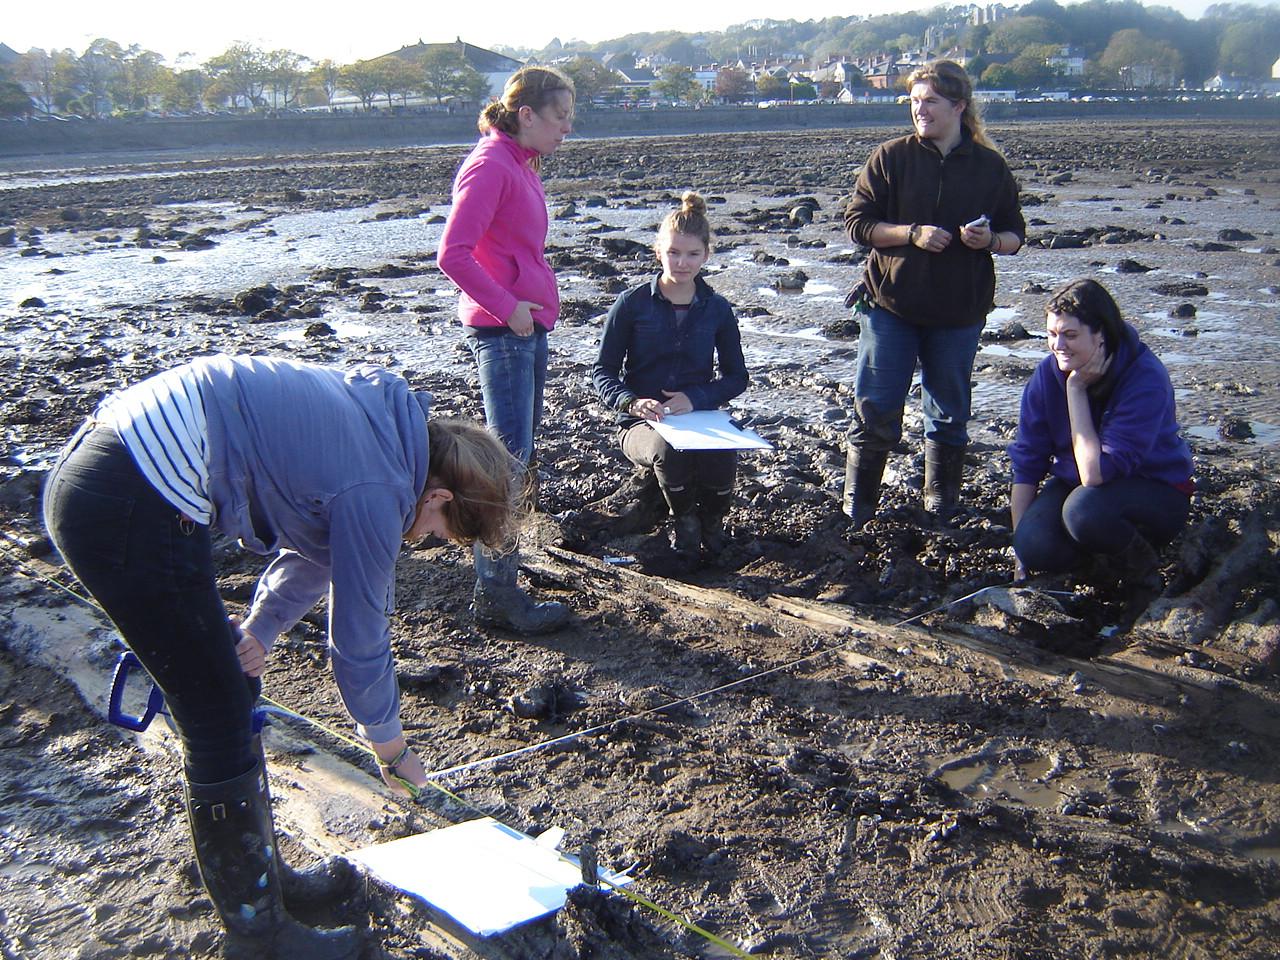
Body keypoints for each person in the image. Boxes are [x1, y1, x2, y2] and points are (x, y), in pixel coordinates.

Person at [42, 354, 519, 960]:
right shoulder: (380, 486)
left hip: (115, 468)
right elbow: (359, 632)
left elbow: (316, 552)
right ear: (441, 495)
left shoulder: (383, 435)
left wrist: (259, 632)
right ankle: (258, 934)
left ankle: (267, 885)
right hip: (129, 497)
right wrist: (391, 747)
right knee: (215, 715)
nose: (419, 540)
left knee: (230, 693)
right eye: (435, 531)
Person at [842, 59, 1025, 528]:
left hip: (960, 311)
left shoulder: (989, 167)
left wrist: (991, 241)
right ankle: (857, 511)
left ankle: (940, 505)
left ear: (958, 107)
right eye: (915, 102)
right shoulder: (892, 157)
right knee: (876, 408)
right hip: (890, 306)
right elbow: (858, 225)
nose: (920, 110)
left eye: (931, 102)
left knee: (948, 411)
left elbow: (1015, 236)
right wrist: (912, 233)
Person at [438, 65, 575, 635]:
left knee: (518, 456)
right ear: (527, 114)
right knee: (505, 463)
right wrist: (507, 307)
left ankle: (502, 576)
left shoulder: (518, 163)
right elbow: (453, 252)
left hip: (525, 329)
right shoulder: (491, 164)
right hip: (505, 332)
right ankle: (496, 594)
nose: (567, 129)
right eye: (560, 117)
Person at [592, 191, 749, 569]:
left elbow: (737, 377)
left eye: (692, 254)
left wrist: (696, 398)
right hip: (642, 423)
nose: (682, 262)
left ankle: (713, 529)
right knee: (667, 451)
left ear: (706, 256)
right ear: (658, 251)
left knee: (724, 455)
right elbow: (602, 373)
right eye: (674, 252)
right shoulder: (631, 304)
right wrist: (633, 403)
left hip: (700, 418)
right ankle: (686, 528)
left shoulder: (718, 308)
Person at [1008, 279, 1194, 583]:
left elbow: (1095, 474)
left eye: (1070, 335)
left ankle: (1143, 570)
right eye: (1052, 334)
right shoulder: (1047, 374)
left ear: (1101, 336)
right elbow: (1027, 464)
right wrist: (1020, 555)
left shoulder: (1144, 377)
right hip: (1078, 486)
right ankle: (1097, 567)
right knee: (1033, 545)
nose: (1058, 346)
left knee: (1085, 511)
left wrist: (1077, 391)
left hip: (1153, 491)